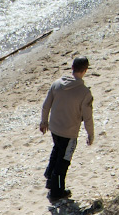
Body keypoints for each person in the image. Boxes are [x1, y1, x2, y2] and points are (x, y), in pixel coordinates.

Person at [40, 56, 95, 202]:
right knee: (63, 161)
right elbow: (87, 117)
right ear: (85, 70)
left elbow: (46, 105)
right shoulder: (85, 93)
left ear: (72, 68)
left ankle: (49, 178)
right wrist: (90, 134)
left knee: (57, 150)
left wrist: (43, 121)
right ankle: (57, 191)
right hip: (69, 132)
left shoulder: (57, 84)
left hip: (54, 128)